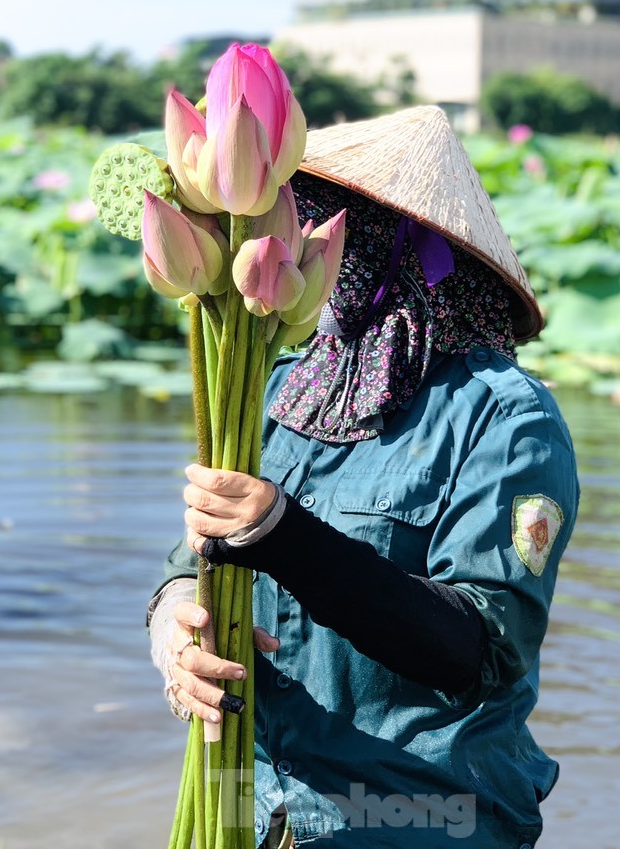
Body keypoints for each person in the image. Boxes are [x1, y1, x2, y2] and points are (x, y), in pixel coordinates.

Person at [147, 107, 579, 848]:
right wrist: (174, 636)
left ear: (382, 244)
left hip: (422, 817)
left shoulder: (506, 419)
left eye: (316, 225)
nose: (292, 244)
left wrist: (283, 536)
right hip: (253, 808)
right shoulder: (281, 387)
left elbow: (477, 651)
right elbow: (188, 568)